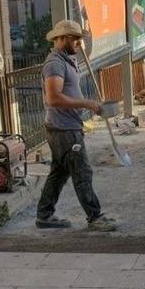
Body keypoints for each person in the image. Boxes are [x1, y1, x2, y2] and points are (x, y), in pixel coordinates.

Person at [36, 20, 117, 232]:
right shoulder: (55, 64)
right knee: (82, 173)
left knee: (59, 174)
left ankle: (44, 215)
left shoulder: (66, 60)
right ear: (62, 39)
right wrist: (86, 103)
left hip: (65, 126)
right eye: (75, 39)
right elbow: (53, 98)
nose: (79, 43)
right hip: (64, 129)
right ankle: (95, 217)